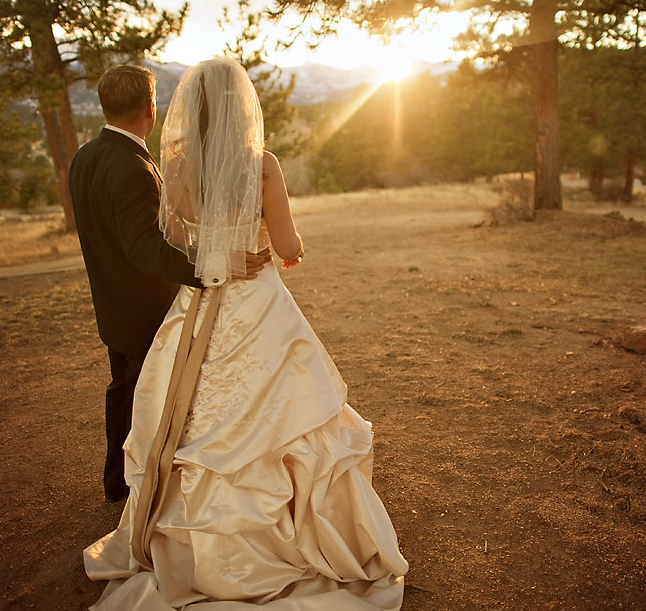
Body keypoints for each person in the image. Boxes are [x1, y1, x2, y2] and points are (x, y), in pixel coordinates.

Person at [83, 57, 408, 610]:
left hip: (201, 299)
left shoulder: (179, 166)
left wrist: (214, 251)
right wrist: (292, 249)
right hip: (257, 296)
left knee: (188, 410)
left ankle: (194, 530)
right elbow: (286, 244)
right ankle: (291, 532)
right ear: (243, 108)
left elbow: (175, 236)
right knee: (284, 413)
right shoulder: (262, 164)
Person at [69, 64, 271, 503]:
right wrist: (217, 265)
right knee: (148, 400)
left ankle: (118, 480)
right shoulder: (134, 168)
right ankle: (141, 482)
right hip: (144, 306)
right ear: (150, 107)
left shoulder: (86, 156)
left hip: (111, 303)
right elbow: (146, 250)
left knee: (123, 391)